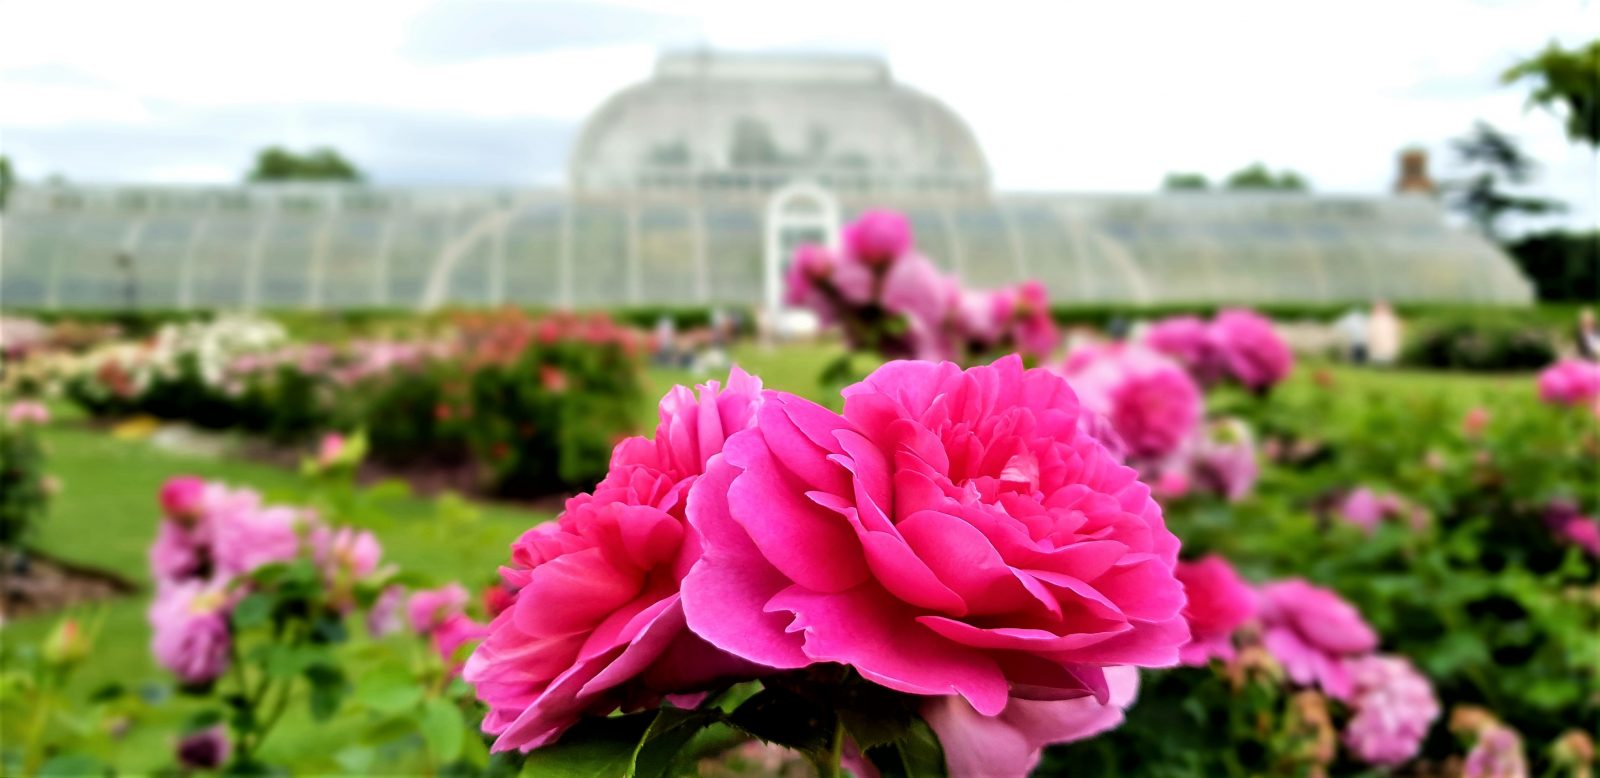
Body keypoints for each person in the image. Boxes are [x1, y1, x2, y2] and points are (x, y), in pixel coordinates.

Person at [1367, 300, 1402, 367]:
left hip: (1388, 348)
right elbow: (1370, 334)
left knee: (1386, 360)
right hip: (1377, 348)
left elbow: (1396, 333)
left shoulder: (1391, 319)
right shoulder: (1373, 319)